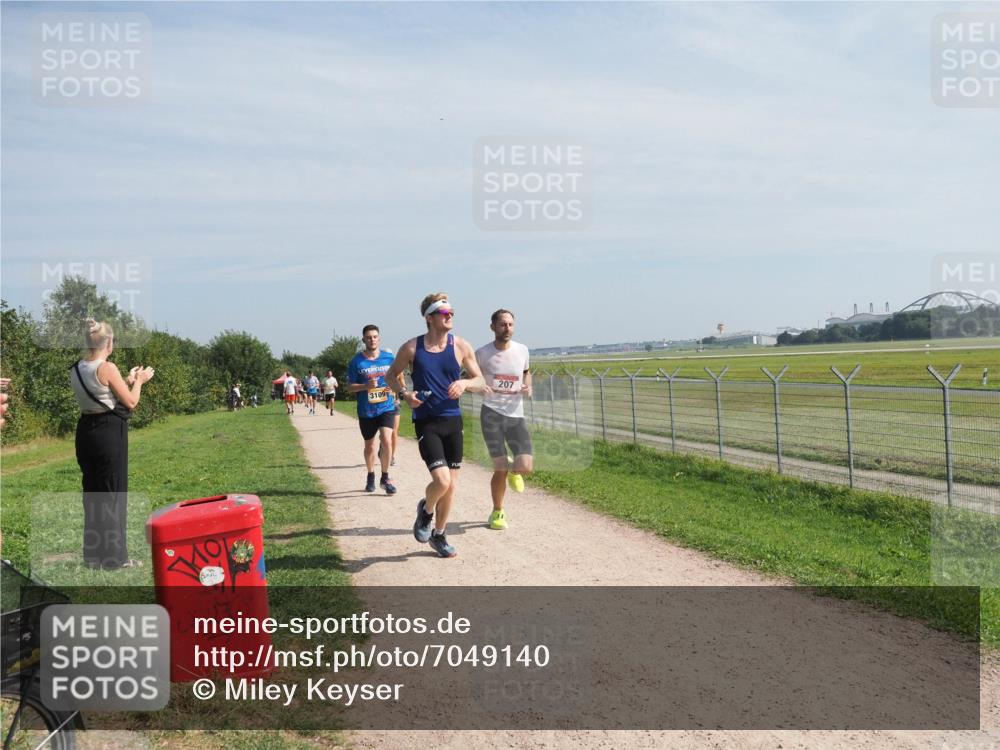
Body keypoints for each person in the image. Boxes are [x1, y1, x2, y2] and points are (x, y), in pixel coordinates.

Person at [386, 293, 484, 558]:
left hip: (453, 421)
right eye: (443, 312)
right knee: (440, 481)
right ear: (429, 318)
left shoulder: (461, 346)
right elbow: (390, 376)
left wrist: (464, 383)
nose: (449, 315)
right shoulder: (411, 348)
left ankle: (439, 535)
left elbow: (480, 381)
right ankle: (426, 511)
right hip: (427, 422)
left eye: (451, 311)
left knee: (451, 485)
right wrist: (405, 395)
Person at [69, 318, 154, 569]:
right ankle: (116, 557)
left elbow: (101, 394)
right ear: (109, 343)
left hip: (86, 432)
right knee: (113, 493)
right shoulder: (107, 367)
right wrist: (139, 380)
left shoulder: (76, 368)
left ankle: (93, 556)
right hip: (108, 433)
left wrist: (126, 380)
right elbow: (130, 402)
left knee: (93, 492)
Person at [475, 309, 533, 530]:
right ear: (493, 327)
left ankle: (515, 470)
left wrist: (529, 386)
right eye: (502, 325)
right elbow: (470, 379)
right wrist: (480, 387)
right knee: (499, 468)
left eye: (510, 324)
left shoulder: (522, 350)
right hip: (491, 414)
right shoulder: (482, 353)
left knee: (526, 466)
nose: (506, 328)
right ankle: (498, 512)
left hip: (516, 415)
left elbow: (527, 372)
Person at [346, 325, 398, 495]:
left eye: (375, 336)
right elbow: (349, 387)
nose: (372, 340)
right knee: (369, 445)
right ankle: (370, 474)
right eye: (369, 337)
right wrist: (365, 386)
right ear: (363, 340)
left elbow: (397, 377)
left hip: (386, 407)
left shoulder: (389, 358)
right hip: (366, 410)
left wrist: (394, 388)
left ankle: (385, 477)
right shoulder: (356, 362)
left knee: (386, 439)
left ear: (379, 338)